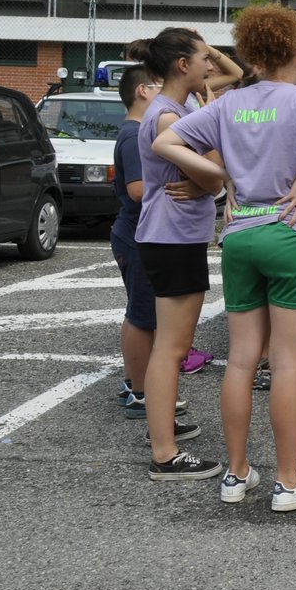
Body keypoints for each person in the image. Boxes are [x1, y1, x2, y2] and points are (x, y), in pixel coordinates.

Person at [154, 3, 296, 511]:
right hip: (288, 232)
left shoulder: (229, 104)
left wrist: (221, 180)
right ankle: (288, 482)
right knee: (285, 364)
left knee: (240, 362)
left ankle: (236, 476)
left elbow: (165, 140)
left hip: (239, 235)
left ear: (255, 54)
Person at [129, 27, 240, 481]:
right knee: (171, 348)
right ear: (182, 66)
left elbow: (234, 73)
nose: (210, 66)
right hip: (171, 236)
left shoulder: (178, 106)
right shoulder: (170, 118)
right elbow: (219, 173)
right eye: (202, 59)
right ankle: (165, 453)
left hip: (173, 235)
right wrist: (208, 180)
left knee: (169, 346)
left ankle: (163, 430)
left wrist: (205, 48)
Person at [111, 64, 187, 423]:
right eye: (157, 85)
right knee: (142, 316)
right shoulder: (133, 134)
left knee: (138, 313)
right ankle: (140, 392)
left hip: (133, 234)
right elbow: (137, 189)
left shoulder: (136, 129)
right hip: (136, 234)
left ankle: (134, 384)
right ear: (143, 91)